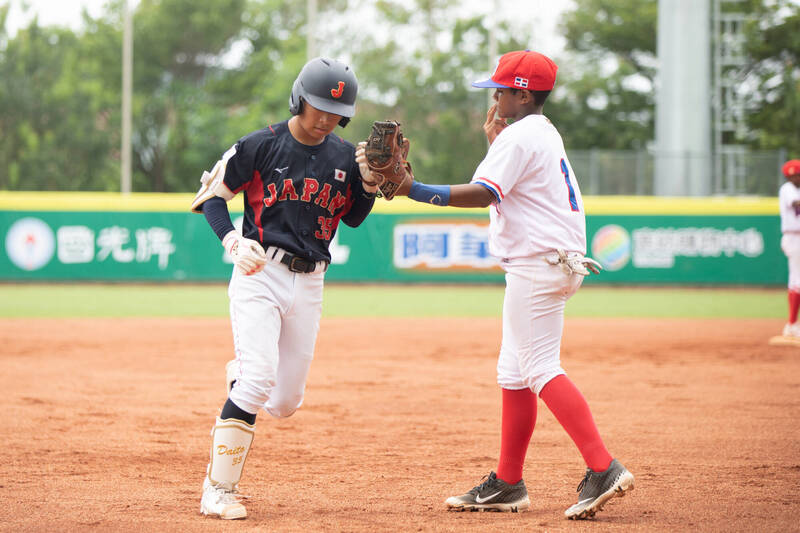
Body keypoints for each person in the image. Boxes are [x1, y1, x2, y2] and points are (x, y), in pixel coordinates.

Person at [378, 50, 634, 520]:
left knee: (537, 368)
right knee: (513, 372)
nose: (494, 98)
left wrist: (413, 189)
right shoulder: (538, 131)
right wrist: (497, 142)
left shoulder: (521, 138)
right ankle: (508, 483)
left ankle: (603, 467)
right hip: (551, 263)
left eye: (501, 90)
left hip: (538, 265)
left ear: (522, 93)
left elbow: (485, 194)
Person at [190, 57, 379, 520]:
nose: (325, 118)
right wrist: (233, 241)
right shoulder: (260, 145)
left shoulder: (344, 157)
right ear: (298, 98)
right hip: (259, 273)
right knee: (258, 380)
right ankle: (218, 488)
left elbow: (352, 217)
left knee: (286, 402)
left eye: (336, 112)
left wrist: (371, 185)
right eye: (317, 107)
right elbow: (212, 198)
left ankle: (242, 377)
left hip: (311, 280)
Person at [779, 159, 800, 338]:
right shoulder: (787, 189)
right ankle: (792, 324)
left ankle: (792, 324)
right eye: (792, 175)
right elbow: (795, 203)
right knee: (796, 280)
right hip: (794, 237)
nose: (796, 178)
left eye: (798, 175)